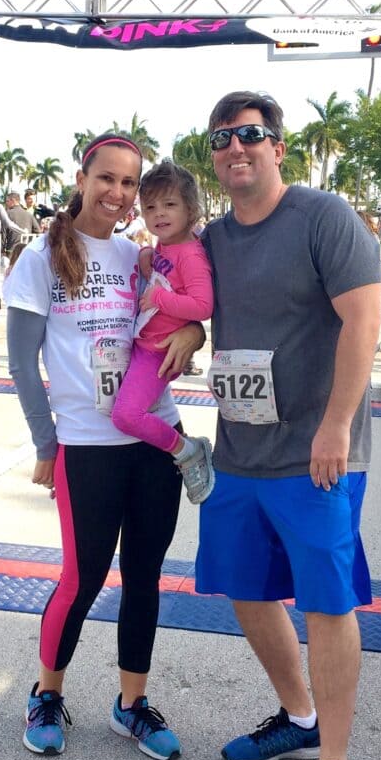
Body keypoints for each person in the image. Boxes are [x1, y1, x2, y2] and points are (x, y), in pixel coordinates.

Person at [195, 91, 381, 760]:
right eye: (221, 138)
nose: (236, 148)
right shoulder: (211, 237)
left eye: (250, 135)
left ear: (277, 146)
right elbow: (186, 300)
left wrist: (336, 423)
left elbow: (364, 317)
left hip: (318, 454)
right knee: (245, 591)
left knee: (327, 604)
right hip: (239, 450)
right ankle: (298, 719)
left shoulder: (322, 218)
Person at [5, 133, 203, 760]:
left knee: (144, 577)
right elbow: (19, 363)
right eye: (107, 180)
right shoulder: (40, 257)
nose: (118, 194)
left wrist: (196, 331)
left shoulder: (140, 255)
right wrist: (45, 443)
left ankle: (131, 704)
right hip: (87, 444)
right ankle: (46, 693)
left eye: (129, 184)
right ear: (83, 177)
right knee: (83, 577)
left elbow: (181, 311)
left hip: (153, 439)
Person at [110, 160, 214, 504]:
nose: (159, 214)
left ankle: (187, 450)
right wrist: (147, 254)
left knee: (126, 415)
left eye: (170, 205)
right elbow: (163, 270)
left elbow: (202, 306)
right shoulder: (167, 246)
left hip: (158, 352)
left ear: (191, 209)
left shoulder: (191, 254)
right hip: (144, 344)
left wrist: (159, 298)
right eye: (151, 207)